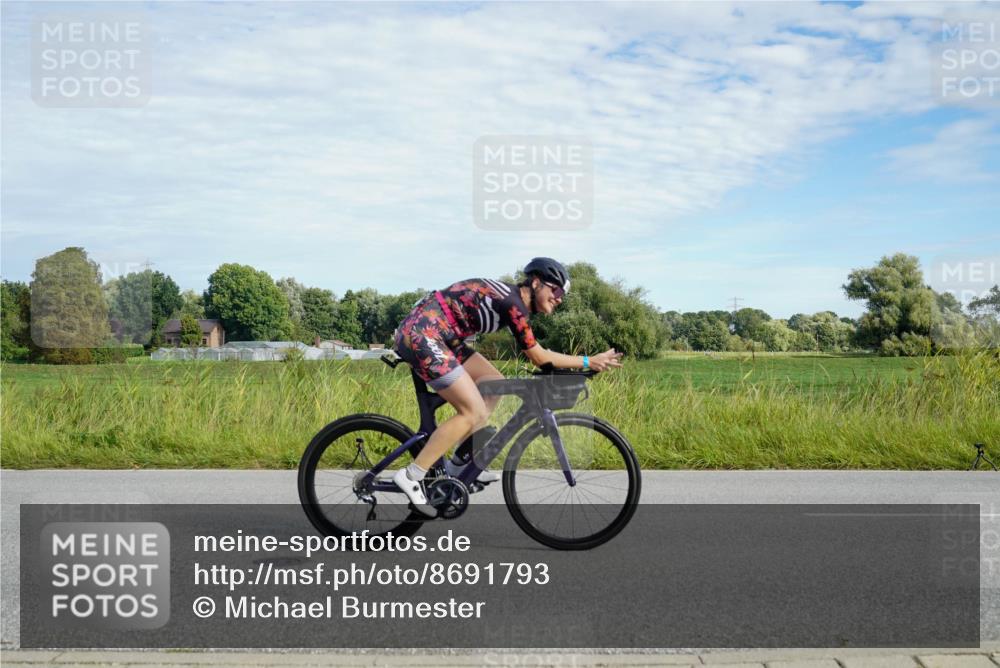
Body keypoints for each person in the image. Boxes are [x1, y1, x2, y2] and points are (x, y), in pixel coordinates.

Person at [392, 257, 623, 513]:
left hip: (443, 335)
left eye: (563, 295)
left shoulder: (515, 302)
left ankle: (459, 464)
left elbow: (540, 355)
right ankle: (412, 476)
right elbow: (538, 356)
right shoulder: (513, 303)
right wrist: (589, 360)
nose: (559, 298)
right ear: (536, 283)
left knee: (493, 383)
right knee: (473, 411)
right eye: (556, 290)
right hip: (423, 334)